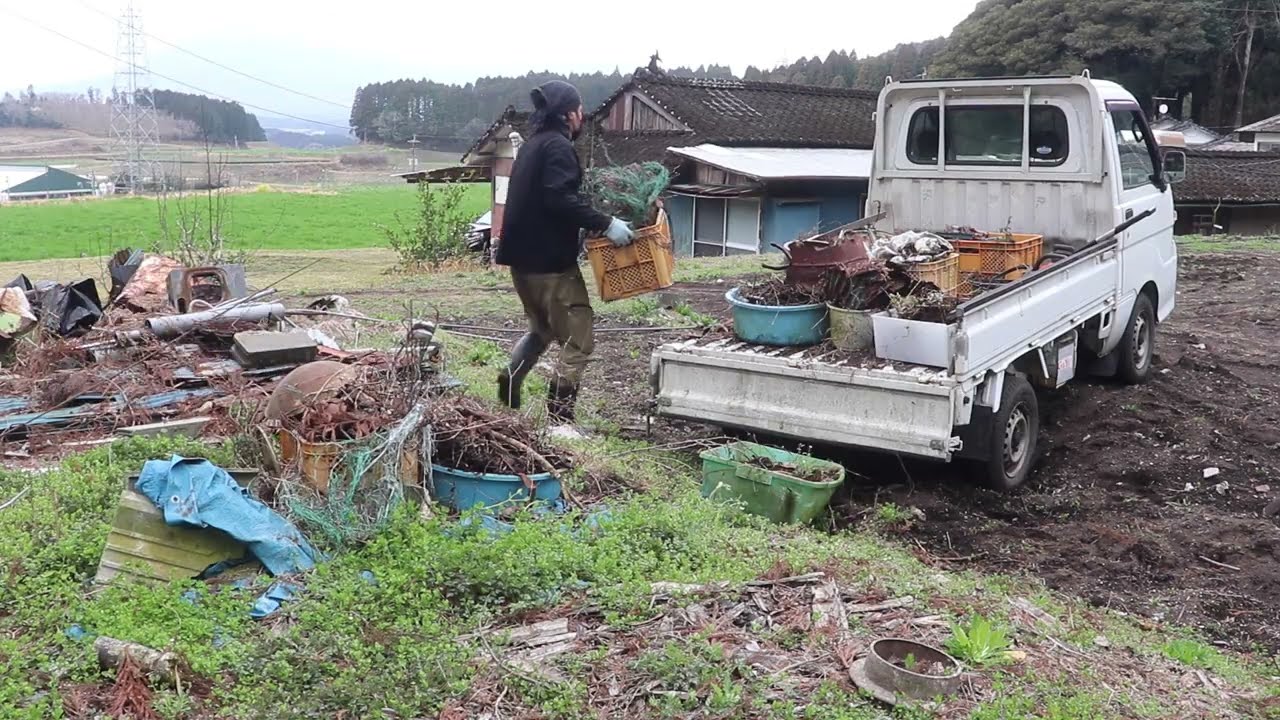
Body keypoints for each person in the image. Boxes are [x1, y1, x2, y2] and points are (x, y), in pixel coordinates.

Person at [494, 79, 635, 423]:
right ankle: (560, 421)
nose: (582, 117)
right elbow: (560, 199)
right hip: (551, 266)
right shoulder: (558, 147)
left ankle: (509, 384)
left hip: (521, 263)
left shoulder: (532, 146)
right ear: (570, 114)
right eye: (581, 111)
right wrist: (606, 223)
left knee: (541, 329)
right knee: (578, 341)